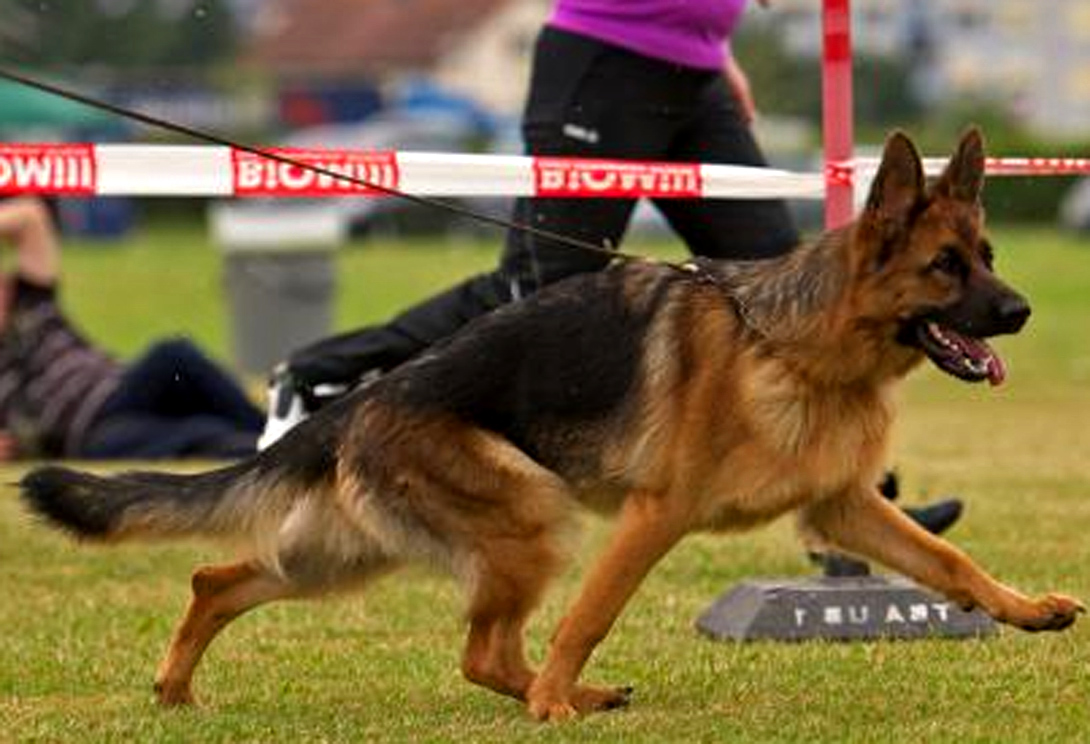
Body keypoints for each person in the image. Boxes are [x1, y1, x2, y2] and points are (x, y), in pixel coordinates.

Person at [259, 0, 963, 547]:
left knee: (788, 296)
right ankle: (322, 372)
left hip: (698, 71)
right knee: (541, 287)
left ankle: (856, 505)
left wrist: (716, 53)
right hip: (604, 62)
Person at [0, 195, 263, 460]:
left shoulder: (32, 303)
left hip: (123, 391)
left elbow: (29, 216)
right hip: (90, 436)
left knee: (173, 355)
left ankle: (275, 434)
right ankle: (270, 452)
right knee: (204, 432)